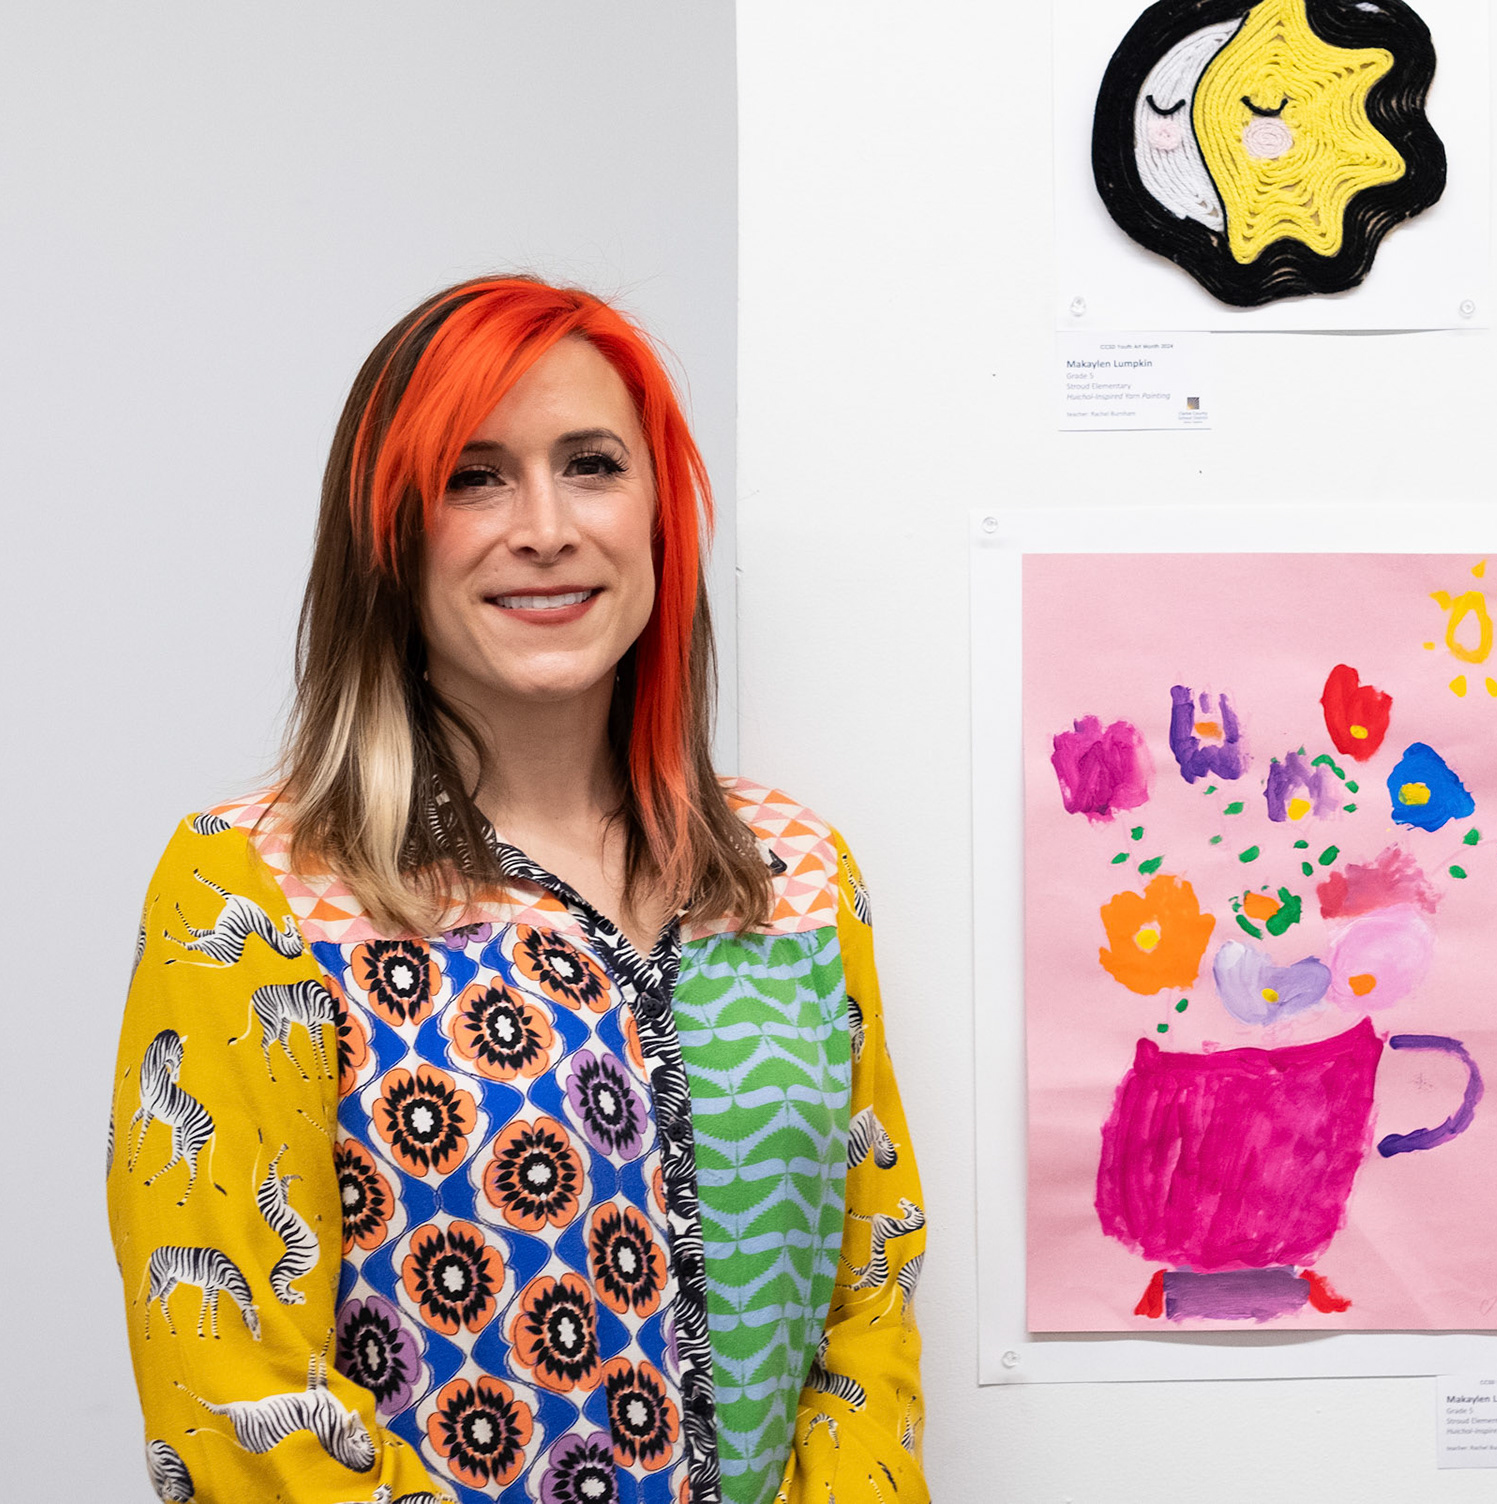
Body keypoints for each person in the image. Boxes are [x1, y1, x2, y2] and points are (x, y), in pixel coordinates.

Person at [106, 277, 927, 1504]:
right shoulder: (255, 885)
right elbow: (232, 1383)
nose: (544, 526)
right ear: (389, 534)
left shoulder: (793, 869)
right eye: (473, 477)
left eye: (591, 464)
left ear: (659, 515)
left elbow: (873, 1291)